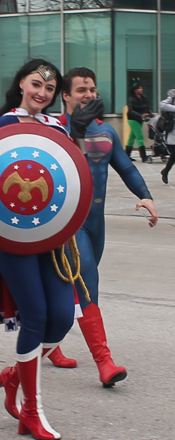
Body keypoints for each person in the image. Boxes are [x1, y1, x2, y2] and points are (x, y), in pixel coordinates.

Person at [0, 59, 101, 440]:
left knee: (60, 318)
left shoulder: (56, 126)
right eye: (35, 84)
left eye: (49, 87)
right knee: (37, 316)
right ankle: (31, 410)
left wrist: (73, 132)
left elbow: (71, 175)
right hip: (12, 237)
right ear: (22, 85)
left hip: (53, 237)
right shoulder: (4, 126)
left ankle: (14, 376)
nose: (41, 92)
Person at [48, 68, 158, 384]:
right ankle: (104, 363)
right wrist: (75, 132)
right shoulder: (54, 131)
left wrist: (146, 197)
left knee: (67, 286)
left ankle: (49, 341)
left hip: (97, 224)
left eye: (92, 89)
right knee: (87, 284)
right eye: (81, 89)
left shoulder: (106, 132)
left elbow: (126, 168)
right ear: (65, 95)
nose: (89, 95)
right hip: (69, 224)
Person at [126, 83, 153, 163]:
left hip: (140, 119)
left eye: (141, 88)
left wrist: (150, 114)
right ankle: (144, 157)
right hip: (133, 119)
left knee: (132, 137)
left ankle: (126, 155)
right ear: (135, 90)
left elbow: (147, 107)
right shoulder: (131, 98)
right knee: (140, 137)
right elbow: (130, 110)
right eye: (139, 88)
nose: (141, 89)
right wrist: (140, 115)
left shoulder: (143, 98)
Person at [159, 89, 175, 184]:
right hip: (172, 131)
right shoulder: (171, 99)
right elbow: (162, 105)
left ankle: (165, 171)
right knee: (173, 154)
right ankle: (165, 171)